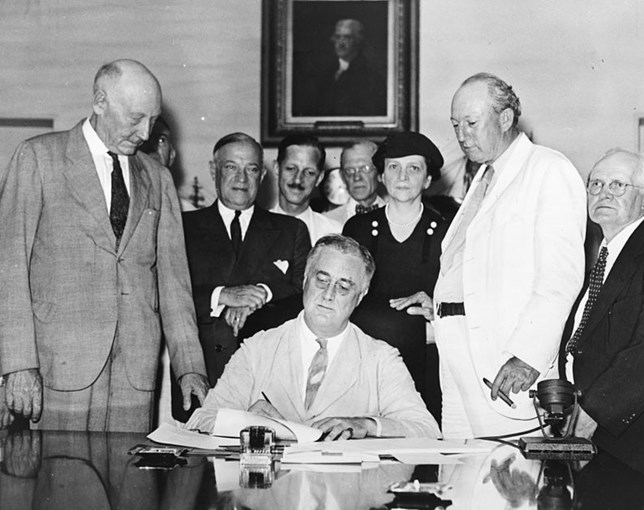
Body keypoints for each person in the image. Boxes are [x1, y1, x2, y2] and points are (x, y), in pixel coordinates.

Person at [0, 59, 208, 432]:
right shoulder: (38, 158)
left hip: (135, 374)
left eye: (153, 120)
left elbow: (175, 285)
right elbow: (8, 265)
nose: (145, 133)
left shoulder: (158, 178)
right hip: (57, 369)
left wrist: (190, 367)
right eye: (135, 118)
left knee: (132, 485)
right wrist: (17, 364)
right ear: (100, 102)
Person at [433, 72, 586, 438]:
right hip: (456, 361)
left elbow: (560, 277)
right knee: (460, 481)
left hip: (505, 365)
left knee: (509, 482)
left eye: (471, 123)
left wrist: (527, 356)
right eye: (456, 125)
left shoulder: (548, 169)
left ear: (504, 118)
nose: (461, 135)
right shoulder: (484, 177)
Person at [186, 234, 441, 440]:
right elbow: (201, 420)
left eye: (344, 286)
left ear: (360, 296)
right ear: (305, 279)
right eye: (321, 280)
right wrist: (250, 423)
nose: (329, 295)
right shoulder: (258, 348)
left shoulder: (381, 359)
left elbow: (427, 429)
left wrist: (367, 424)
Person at [173, 132, 312, 422]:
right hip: (203, 375)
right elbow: (167, 296)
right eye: (231, 167)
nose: (241, 178)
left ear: (262, 175)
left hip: (268, 385)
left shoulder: (291, 230)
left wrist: (260, 293)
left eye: (250, 169)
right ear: (213, 170)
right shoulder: (182, 228)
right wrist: (221, 295)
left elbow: (304, 293)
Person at [342, 131, 449, 420]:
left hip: (427, 369)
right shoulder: (358, 229)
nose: (403, 176)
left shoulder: (447, 232)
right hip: (366, 366)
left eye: (413, 168)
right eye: (393, 167)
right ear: (382, 176)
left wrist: (435, 306)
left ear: (427, 179)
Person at [560, 148, 644, 478]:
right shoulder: (604, 253)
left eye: (617, 185)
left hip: (632, 448)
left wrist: (594, 410)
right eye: (595, 184)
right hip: (594, 442)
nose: (603, 193)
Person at [293, 19, 386, 117]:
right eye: (337, 37)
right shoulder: (326, 73)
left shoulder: (371, 78)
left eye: (347, 37)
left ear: (358, 41)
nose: (341, 43)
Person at [270, 134, 342, 244]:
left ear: (319, 178)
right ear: (276, 168)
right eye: (291, 168)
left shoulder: (335, 234)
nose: (298, 180)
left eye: (309, 172)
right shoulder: (252, 229)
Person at [324, 140, 385, 223]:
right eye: (349, 170)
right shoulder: (327, 222)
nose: (357, 177)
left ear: (379, 173)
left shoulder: (399, 217)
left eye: (364, 168)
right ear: (342, 176)